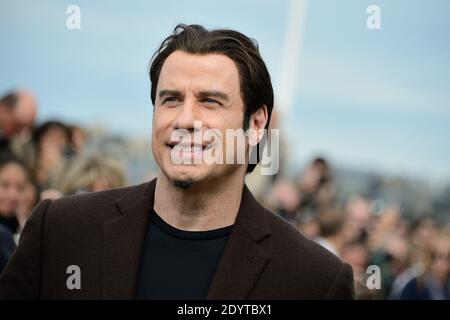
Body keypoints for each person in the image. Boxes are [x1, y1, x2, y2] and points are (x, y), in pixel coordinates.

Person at [0, 24, 354, 299]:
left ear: (257, 123)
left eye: (210, 101)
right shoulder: (61, 230)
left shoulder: (313, 279)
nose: (185, 120)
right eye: (170, 99)